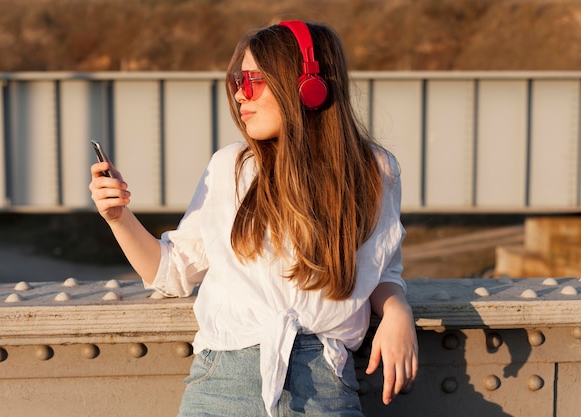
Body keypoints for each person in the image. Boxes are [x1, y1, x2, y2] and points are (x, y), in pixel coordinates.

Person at [90, 19, 418, 417]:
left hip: (326, 385)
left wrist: (398, 310)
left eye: (253, 82)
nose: (240, 96)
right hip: (223, 384)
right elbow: (173, 271)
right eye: (236, 83)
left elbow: (381, 271)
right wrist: (118, 217)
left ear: (307, 87)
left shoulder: (375, 170)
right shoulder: (230, 167)